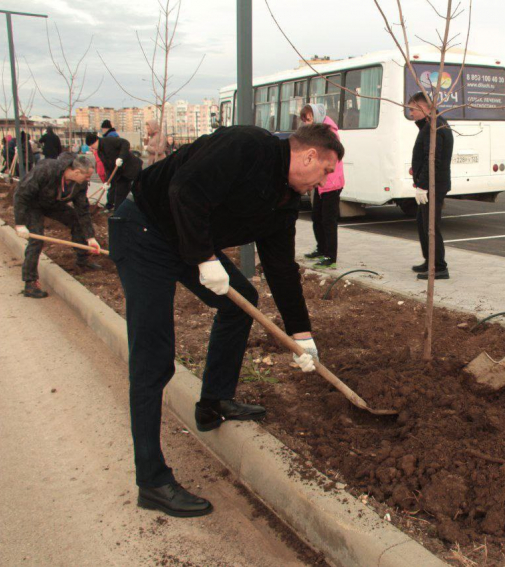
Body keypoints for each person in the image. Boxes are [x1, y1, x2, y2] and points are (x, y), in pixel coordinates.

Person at [109, 123, 343, 517]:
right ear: (309, 156)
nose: (324, 183)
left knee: (241, 301)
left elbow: (281, 268)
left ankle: (214, 402)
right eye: (325, 171)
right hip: (145, 230)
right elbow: (184, 191)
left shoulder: (285, 202)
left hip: (186, 239)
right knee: (153, 358)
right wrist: (203, 258)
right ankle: (151, 480)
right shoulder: (245, 146)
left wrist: (302, 335)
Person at [13, 153, 102, 298]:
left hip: (53, 203)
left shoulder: (79, 184)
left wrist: (90, 237)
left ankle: (82, 260)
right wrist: (20, 224)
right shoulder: (46, 169)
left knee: (76, 221)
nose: (87, 180)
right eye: (86, 177)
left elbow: (82, 209)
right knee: (37, 239)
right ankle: (30, 283)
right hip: (33, 205)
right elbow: (21, 194)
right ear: (77, 171)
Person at [408, 92, 453, 280]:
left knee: (431, 227)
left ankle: (439, 267)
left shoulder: (434, 127)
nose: (410, 113)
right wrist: (416, 170)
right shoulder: (429, 125)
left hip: (433, 186)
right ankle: (430, 260)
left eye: (412, 109)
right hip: (430, 184)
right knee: (422, 223)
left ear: (425, 107)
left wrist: (423, 186)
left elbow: (432, 160)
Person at [300, 104, 345, 269]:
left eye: (308, 118)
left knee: (328, 221)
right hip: (321, 183)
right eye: (305, 119)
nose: (306, 122)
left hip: (331, 183)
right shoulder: (319, 132)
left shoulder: (329, 134)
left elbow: (327, 159)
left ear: (316, 116)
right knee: (317, 218)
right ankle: (321, 249)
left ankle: (330, 257)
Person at [85, 132, 143, 212]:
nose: (92, 148)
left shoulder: (109, 141)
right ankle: (118, 214)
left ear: (95, 141)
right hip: (121, 175)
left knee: (139, 189)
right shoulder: (100, 153)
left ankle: (143, 210)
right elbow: (108, 168)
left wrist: (121, 157)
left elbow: (125, 143)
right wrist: (107, 182)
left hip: (133, 168)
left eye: (92, 146)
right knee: (119, 194)